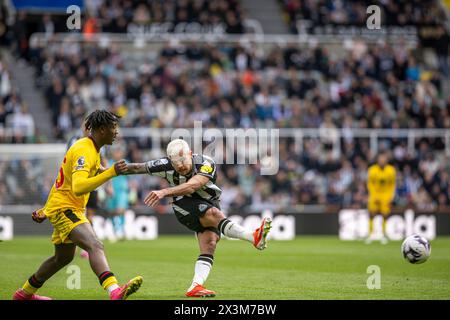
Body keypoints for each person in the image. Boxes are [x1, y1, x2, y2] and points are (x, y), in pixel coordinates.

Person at [12, 110, 143, 300]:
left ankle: (23, 294)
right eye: (113, 127)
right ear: (101, 129)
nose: (117, 132)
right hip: (66, 208)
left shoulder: (92, 149)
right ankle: (114, 291)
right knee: (95, 245)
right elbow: (79, 186)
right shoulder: (84, 149)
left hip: (63, 207)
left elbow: (64, 180)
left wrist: (150, 168)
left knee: (62, 258)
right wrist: (111, 173)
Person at [123, 138, 272, 298]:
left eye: (183, 160)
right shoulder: (163, 165)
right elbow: (138, 167)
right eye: (176, 163)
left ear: (190, 154)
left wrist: (164, 192)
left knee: (210, 243)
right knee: (214, 214)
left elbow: (193, 185)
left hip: (208, 201)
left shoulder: (205, 163)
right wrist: (107, 171)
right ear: (169, 161)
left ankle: (195, 286)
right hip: (183, 204)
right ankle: (253, 237)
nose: (180, 165)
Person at [67, 121, 105, 258]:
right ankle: (75, 244)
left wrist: (108, 181)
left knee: (90, 215)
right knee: (77, 214)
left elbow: (102, 161)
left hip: (92, 185)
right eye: (86, 126)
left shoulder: (99, 143)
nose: (87, 129)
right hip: (78, 182)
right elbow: (68, 159)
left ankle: (87, 245)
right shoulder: (74, 141)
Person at [366, 152, 396, 244]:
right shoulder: (372, 170)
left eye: (384, 159)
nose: (382, 161)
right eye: (380, 159)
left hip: (386, 194)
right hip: (375, 193)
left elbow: (392, 184)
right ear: (377, 160)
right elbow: (370, 183)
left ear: (386, 160)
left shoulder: (391, 170)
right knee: (371, 213)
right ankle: (370, 234)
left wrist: (391, 195)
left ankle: (383, 234)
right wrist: (373, 194)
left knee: (385, 214)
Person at [105, 143, 130, 241]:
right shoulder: (109, 163)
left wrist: (133, 189)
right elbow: (105, 178)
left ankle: (120, 229)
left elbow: (131, 178)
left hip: (122, 191)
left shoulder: (126, 163)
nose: (117, 154)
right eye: (116, 152)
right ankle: (115, 230)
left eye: (119, 152)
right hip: (111, 191)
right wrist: (107, 188)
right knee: (111, 212)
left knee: (120, 210)